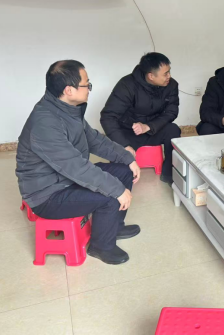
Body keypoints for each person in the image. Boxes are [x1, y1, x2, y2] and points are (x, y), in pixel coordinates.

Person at [16, 61, 141, 265]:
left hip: (66, 179)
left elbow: (95, 140)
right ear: (69, 90)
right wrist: (116, 189)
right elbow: (75, 167)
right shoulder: (45, 122)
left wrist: (128, 158)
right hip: (48, 195)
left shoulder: (67, 110)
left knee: (123, 171)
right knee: (110, 194)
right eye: (87, 84)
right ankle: (101, 247)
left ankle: (114, 226)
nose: (89, 89)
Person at [101, 53, 181, 185]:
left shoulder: (171, 85)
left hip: (154, 130)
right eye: (165, 74)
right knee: (120, 174)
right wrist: (124, 145)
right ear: (151, 76)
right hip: (129, 132)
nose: (169, 76)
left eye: (169, 72)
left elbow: (171, 112)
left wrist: (149, 126)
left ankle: (169, 173)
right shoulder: (127, 85)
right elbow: (108, 117)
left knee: (173, 130)